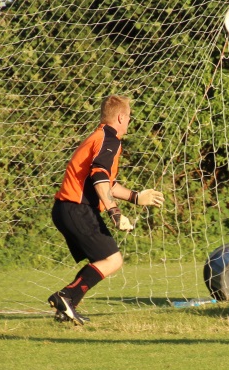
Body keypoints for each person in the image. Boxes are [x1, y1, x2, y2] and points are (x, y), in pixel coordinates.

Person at [48, 95, 164, 325]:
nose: (129, 121)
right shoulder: (110, 140)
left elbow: (107, 183)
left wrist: (135, 197)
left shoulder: (99, 137)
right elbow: (99, 176)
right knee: (112, 260)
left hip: (67, 209)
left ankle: (66, 307)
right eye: (129, 117)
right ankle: (65, 297)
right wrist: (115, 212)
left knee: (103, 260)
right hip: (76, 208)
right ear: (121, 117)